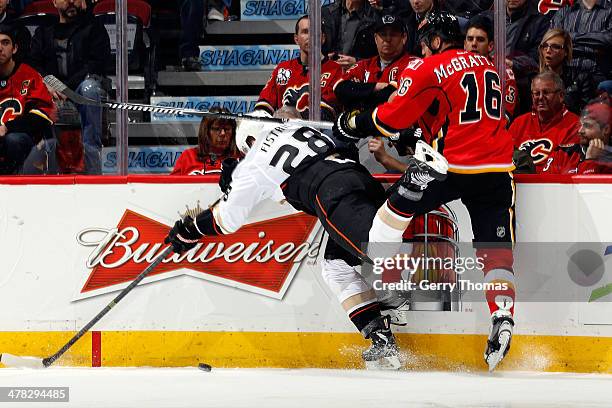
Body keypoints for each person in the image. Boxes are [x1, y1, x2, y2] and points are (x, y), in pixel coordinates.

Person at [163, 107, 447, 370]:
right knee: (334, 265)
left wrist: (189, 230)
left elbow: (226, 220)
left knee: (378, 249)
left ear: (246, 143)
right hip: (357, 178)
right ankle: (381, 340)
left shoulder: (254, 162)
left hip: (329, 191)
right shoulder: (295, 127)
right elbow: (279, 182)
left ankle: (413, 181)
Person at [334, 11, 516, 371]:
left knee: (389, 214)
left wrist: (353, 122)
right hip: (497, 170)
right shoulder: (486, 65)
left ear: (434, 40)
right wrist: (417, 133)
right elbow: (458, 114)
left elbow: (390, 118)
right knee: (495, 254)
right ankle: (503, 317)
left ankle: (387, 288)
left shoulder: (426, 67)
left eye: (424, 39)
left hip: (447, 167)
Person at [28, 0, 111, 175]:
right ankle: (48, 167)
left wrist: (66, 88)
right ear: (55, 2)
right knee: (35, 92)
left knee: (90, 88)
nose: (72, 1)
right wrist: (49, 82)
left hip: (82, 89)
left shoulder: (94, 28)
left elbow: (96, 64)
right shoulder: (43, 33)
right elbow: (33, 64)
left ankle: (92, 166)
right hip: (51, 91)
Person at [253, 15, 344, 121]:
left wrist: (293, 118)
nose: (310, 36)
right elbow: (263, 107)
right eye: (305, 32)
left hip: (318, 133)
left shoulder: (336, 70)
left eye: (314, 32)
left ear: (323, 38)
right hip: (282, 133)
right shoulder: (283, 69)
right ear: (296, 39)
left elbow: (326, 114)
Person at [0, 23, 55, 174]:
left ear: (15, 48)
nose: (0, 48)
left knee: (14, 140)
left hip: (23, 140)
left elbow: (42, 116)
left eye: (5, 43)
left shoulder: (28, 75)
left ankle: (17, 181)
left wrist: (7, 127)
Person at [334, 13, 417, 111]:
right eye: (383, 34)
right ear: (375, 38)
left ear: (404, 38)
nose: (387, 39)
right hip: (360, 123)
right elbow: (339, 88)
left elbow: (390, 96)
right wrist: (377, 86)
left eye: (393, 34)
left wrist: (359, 92)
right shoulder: (364, 65)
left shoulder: (413, 64)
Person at [509, 71, 580, 173]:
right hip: (519, 184)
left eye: (546, 92)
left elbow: (568, 167)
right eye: (536, 93)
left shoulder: (575, 125)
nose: (541, 97)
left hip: (553, 185)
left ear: (561, 96)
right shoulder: (519, 123)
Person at [550, 0, 612, 111]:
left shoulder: (610, 10)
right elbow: (552, 40)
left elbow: (608, 40)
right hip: (566, 76)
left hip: (597, 77)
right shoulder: (565, 11)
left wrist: (570, 38)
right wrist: (593, 46)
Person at [464, 14, 518, 122]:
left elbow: (506, 117)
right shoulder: (452, 68)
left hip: (489, 133)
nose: (474, 44)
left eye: (480, 40)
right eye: (470, 39)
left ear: (490, 46)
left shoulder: (503, 71)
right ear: (464, 44)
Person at [544, 100, 612, 174]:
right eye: (580, 125)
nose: (580, 131)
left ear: (606, 129)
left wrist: (590, 161)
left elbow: (586, 185)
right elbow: (543, 184)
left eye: (587, 126)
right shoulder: (562, 153)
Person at [171, 108, 240, 175]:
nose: (223, 133)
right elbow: (171, 185)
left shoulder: (240, 159)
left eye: (227, 129)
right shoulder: (188, 157)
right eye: (216, 128)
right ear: (205, 131)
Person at [321, 0, 379, 69]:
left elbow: (381, 59)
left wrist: (357, 63)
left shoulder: (375, 18)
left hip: (358, 75)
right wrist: (324, 58)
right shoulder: (326, 13)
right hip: (326, 74)